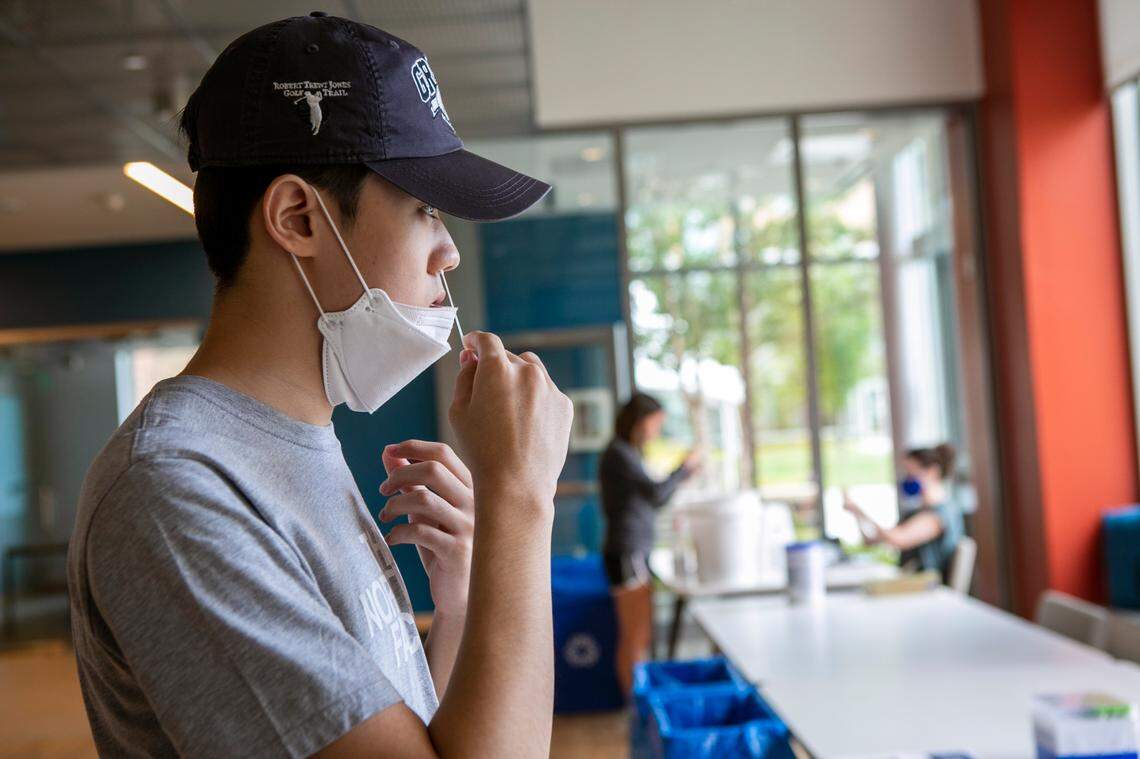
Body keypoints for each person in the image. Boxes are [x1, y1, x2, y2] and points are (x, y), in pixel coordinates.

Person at [66, 13, 572, 758]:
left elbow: (415, 732)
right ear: (298, 217)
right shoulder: (173, 489)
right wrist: (522, 502)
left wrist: (465, 591)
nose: (449, 253)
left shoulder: (291, 440)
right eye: (424, 207)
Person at [598, 393, 700, 694]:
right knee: (635, 634)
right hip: (626, 551)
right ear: (641, 421)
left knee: (637, 635)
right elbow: (655, 494)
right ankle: (635, 707)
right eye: (655, 425)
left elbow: (655, 497)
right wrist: (683, 469)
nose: (656, 432)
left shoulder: (627, 453)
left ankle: (636, 705)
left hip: (632, 550)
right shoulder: (619, 453)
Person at [843, 443, 965, 578]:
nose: (907, 479)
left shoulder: (939, 514)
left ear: (932, 472)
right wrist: (856, 514)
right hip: (910, 583)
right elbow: (870, 541)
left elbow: (897, 539)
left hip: (927, 589)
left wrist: (861, 512)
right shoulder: (915, 512)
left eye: (911, 472)